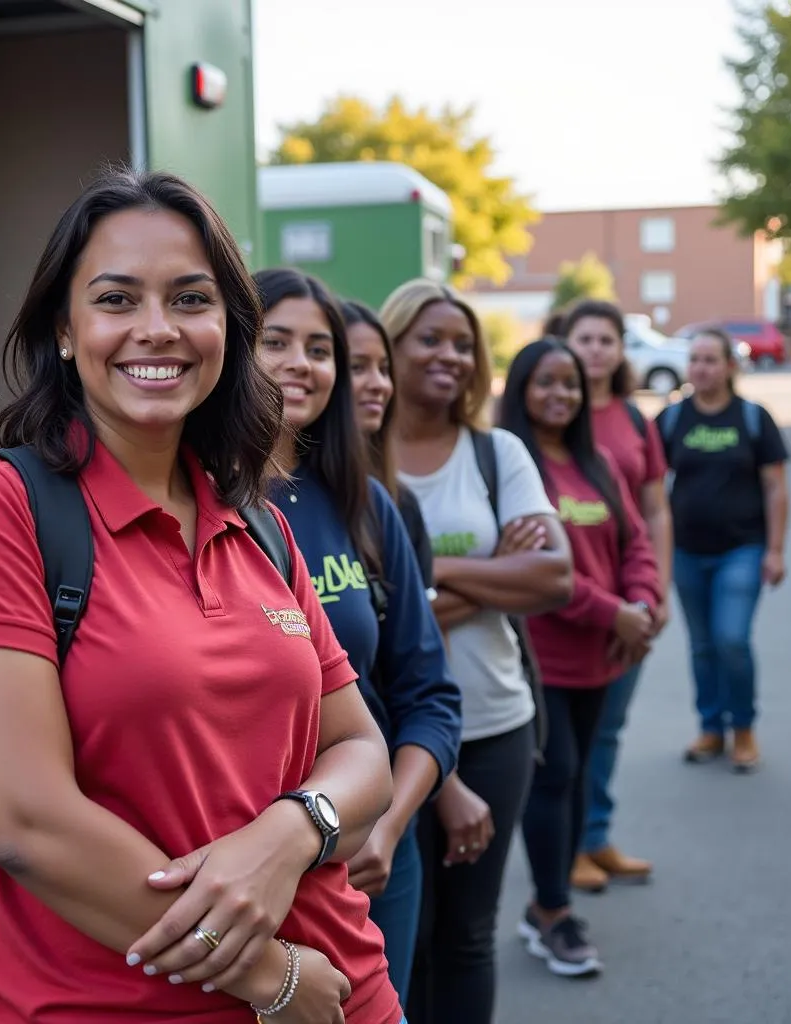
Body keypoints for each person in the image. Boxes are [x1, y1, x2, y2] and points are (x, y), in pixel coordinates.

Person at [0, 168, 406, 1023]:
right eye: (117, 299)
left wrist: (288, 834)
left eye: (191, 299)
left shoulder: (258, 525)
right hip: (120, 1002)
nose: (158, 330)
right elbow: (30, 824)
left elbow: (361, 751)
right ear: (65, 329)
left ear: (227, 329)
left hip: (347, 986)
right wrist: (267, 977)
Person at [253, 268, 462, 1007]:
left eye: (319, 348)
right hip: (242, 858)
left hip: (372, 850)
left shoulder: (365, 502)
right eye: (274, 341)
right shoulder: (195, 501)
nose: (299, 364)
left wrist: (389, 825)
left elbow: (427, 694)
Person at [379, 280, 572, 1024]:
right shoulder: (353, 457)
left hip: (495, 723)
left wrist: (413, 571)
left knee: (467, 934)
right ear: (390, 347)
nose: (450, 357)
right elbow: (356, 613)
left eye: (463, 344)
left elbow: (553, 575)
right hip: (388, 737)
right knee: (403, 936)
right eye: (430, 339)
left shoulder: (498, 452)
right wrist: (494, 575)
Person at [499, 337, 661, 978]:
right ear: (521, 390)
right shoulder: (515, 466)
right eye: (546, 382)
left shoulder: (598, 464)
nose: (561, 395)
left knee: (578, 772)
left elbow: (637, 540)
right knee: (556, 776)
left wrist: (642, 603)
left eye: (569, 383)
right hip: (544, 657)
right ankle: (552, 911)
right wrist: (613, 612)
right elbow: (538, 571)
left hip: (606, 654)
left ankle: (551, 902)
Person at [563, 299, 673, 892]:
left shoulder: (635, 420)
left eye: (609, 338)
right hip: (568, 610)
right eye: (586, 337)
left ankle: (595, 837)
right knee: (567, 745)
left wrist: (656, 593)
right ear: (568, 342)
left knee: (607, 730)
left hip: (632, 602)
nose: (597, 349)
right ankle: (570, 845)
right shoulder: (547, 413)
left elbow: (654, 510)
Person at [657, 327, 790, 772]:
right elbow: (649, 487)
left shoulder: (753, 418)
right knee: (701, 645)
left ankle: (744, 728)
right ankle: (711, 728)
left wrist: (774, 550)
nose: (701, 368)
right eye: (694, 359)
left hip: (742, 549)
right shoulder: (672, 419)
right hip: (686, 552)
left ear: (730, 366)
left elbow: (775, 488)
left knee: (731, 639)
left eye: (711, 359)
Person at [342, 298, 434, 595]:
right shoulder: (277, 500)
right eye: (357, 367)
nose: (379, 384)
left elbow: (420, 631)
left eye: (384, 369)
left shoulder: (396, 501)